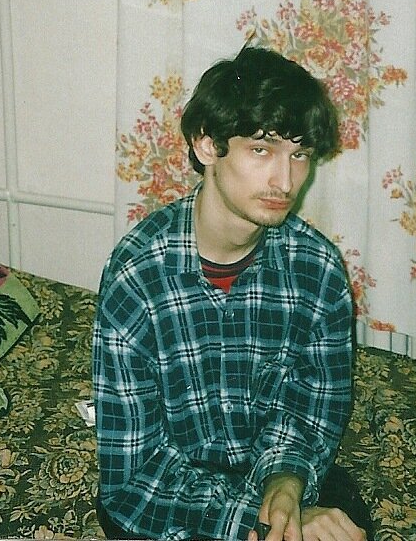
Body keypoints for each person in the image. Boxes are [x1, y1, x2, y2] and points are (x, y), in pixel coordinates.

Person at [93, 46, 371, 541]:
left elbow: (313, 408)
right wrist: (256, 522)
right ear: (206, 145)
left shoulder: (318, 268)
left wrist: (286, 482)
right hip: (170, 495)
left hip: (273, 472)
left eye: (299, 155)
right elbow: (131, 479)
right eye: (262, 150)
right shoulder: (137, 278)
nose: (285, 181)